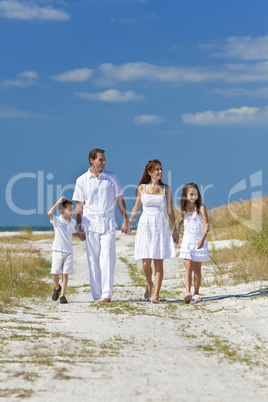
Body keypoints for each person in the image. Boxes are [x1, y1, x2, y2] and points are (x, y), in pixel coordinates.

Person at [72, 148, 130, 302]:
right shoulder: (82, 180)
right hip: (89, 225)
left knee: (108, 258)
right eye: (101, 160)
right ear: (92, 160)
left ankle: (106, 294)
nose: (104, 162)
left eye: (104, 160)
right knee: (93, 260)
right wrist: (79, 228)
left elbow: (119, 199)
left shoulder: (112, 177)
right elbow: (79, 206)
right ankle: (97, 295)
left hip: (108, 224)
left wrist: (125, 219)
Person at [129, 159, 178, 303]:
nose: (160, 172)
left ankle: (156, 294)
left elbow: (170, 211)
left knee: (158, 261)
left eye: (161, 169)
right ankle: (149, 285)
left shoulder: (166, 189)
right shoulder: (142, 188)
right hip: (145, 225)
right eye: (157, 169)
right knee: (145, 262)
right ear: (150, 172)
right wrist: (129, 222)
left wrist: (175, 230)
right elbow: (137, 208)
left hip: (160, 224)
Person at [177, 183, 210, 303]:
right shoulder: (184, 208)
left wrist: (202, 239)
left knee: (197, 268)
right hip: (187, 240)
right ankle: (187, 292)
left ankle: (196, 292)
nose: (193, 196)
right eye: (191, 194)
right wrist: (176, 233)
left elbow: (206, 225)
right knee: (188, 267)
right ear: (185, 195)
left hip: (198, 241)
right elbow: (182, 222)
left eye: (195, 194)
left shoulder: (200, 208)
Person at [48, 197, 79, 304]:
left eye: (72, 209)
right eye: (69, 209)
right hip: (57, 250)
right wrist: (57, 203)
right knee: (55, 273)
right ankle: (57, 288)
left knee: (65, 274)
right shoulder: (57, 220)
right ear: (62, 211)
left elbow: (70, 233)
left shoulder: (73, 222)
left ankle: (63, 296)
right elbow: (49, 213)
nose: (72, 211)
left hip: (69, 251)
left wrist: (79, 235)